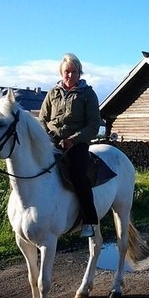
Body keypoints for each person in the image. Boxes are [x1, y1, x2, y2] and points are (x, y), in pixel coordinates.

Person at [39, 53, 102, 238]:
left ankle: (89, 221)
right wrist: (48, 136)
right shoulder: (52, 93)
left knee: (79, 176)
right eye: (67, 71)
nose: (70, 75)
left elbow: (93, 125)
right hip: (52, 142)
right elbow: (42, 119)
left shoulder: (88, 94)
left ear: (79, 73)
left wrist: (73, 140)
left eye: (74, 72)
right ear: (61, 72)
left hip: (77, 144)